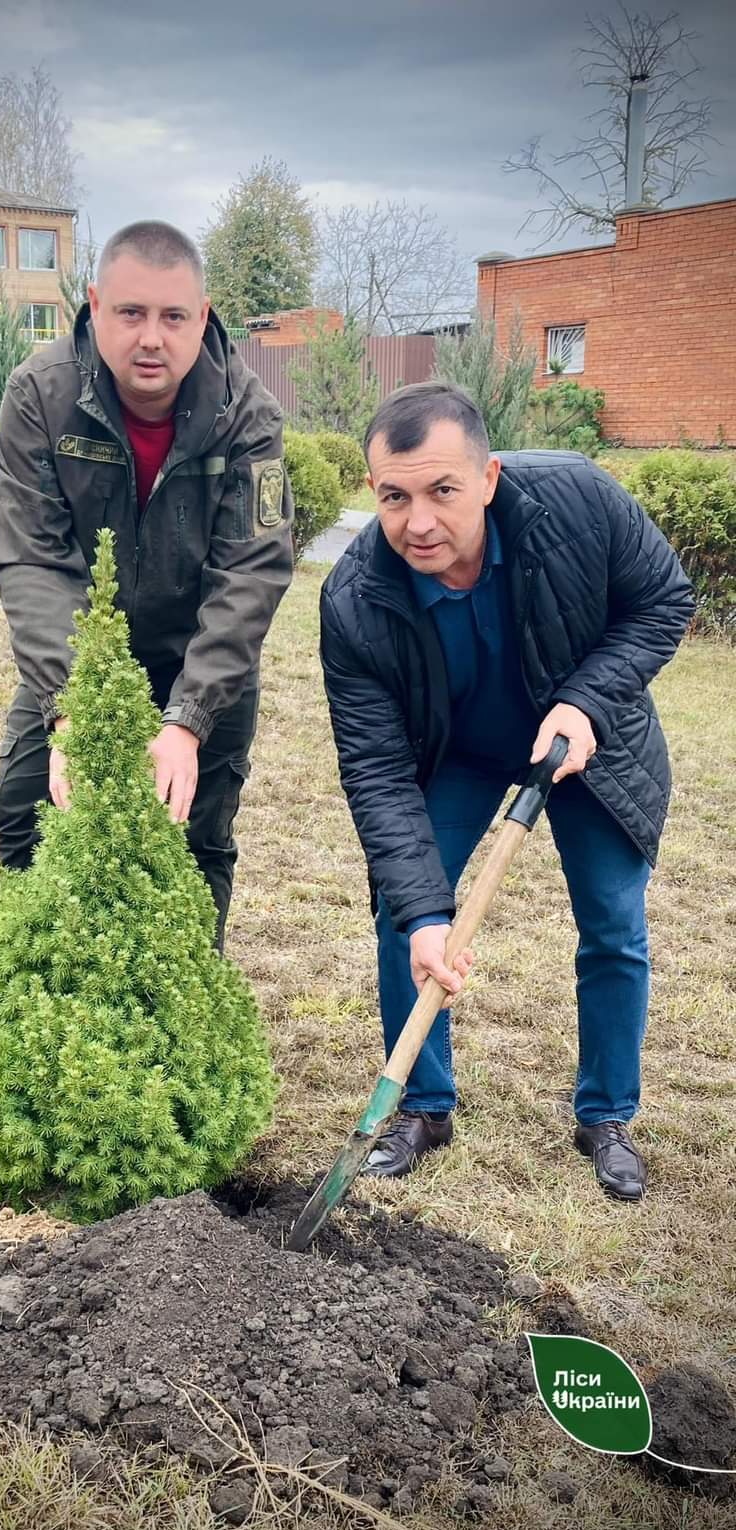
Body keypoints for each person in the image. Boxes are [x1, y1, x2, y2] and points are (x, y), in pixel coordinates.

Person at [0, 221, 293, 1058]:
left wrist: (187, 719)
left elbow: (253, 572)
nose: (151, 337)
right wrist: (70, 710)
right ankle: (25, 1018)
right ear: (94, 308)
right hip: (79, 655)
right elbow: (30, 561)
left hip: (205, 658)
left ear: (205, 316)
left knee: (197, 837)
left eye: (173, 316)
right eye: (131, 312)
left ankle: (179, 1033)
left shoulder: (248, 415)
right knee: (23, 812)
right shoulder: (41, 395)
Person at [320, 382, 693, 1200]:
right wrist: (424, 914)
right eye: (394, 495)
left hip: (583, 737)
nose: (418, 521)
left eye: (442, 490)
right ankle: (424, 1105)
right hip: (458, 751)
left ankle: (605, 1114)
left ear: (487, 477)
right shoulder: (354, 602)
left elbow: (663, 600)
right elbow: (378, 770)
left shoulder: (578, 499)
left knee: (612, 922)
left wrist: (588, 699)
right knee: (404, 908)